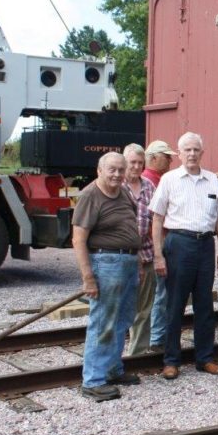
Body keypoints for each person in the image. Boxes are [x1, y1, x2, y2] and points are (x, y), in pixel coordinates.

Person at [150, 132, 218, 380]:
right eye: (187, 150)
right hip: (178, 244)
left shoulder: (212, 181)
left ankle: (204, 358)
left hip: (205, 246)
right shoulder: (169, 180)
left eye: (196, 150)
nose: (192, 154)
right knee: (174, 305)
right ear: (180, 153)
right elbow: (157, 218)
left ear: (202, 153)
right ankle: (171, 360)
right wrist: (158, 256)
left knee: (204, 305)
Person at [72, 152, 141, 401]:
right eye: (112, 169)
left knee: (122, 320)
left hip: (128, 261)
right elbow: (78, 239)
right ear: (99, 170)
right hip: (105, 262)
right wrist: (88, 277)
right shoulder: (91, 195)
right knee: (103, 322)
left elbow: (130, 223)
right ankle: (93, 380)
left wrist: (137, 262)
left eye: (121, 170)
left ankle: (112, 370)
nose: (117, 174)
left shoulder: (123, 192)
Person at [121, 143, 158, 356]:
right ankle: (114, 358)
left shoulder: (149, 187)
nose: (135, 167)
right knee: (121, 308)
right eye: (131, 162)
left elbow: (156, 220)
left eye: (139, 163)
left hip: (146, 255)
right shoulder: (117, 186)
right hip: (123, 257)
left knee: (143, 310)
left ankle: (136, 355)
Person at [143, 139, 177, 351]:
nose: (171, 160)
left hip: (158, 243)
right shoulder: (151, 182)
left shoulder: (157, 179)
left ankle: (156, 337)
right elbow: (151, 219)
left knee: (159, 293)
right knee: (161, 293)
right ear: (154, 158)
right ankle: (157, 339)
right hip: (159, 244)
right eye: (167, 156)